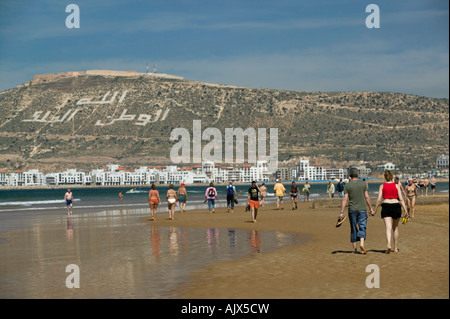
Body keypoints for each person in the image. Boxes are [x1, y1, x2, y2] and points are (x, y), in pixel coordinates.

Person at [338, 168, 374, 254]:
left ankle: (354, 249)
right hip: (362, 209)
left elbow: (345, 199)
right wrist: (370, 208)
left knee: (353, 228)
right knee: (362, 226)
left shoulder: (347, 185)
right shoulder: (363, 184)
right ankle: (362, 243)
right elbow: (367, 197)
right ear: (358, 175)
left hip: (352, 209)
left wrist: (341, 212)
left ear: (350, 176)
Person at [372, 171, 408, 254]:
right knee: (395, 227)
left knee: (388, 228)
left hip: (386, 206)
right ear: (392, 177)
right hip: (396, 206)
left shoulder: (382, 186)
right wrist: (405, 210)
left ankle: (388, 244)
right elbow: (401, 199)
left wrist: (375, 210)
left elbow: (378, 200)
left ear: (385, 177)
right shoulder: (396, 186)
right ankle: (395, 248)